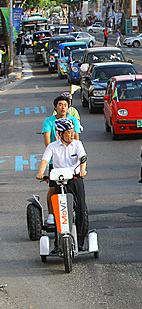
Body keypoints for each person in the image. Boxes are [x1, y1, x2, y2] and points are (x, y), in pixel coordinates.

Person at [36, 118, 88, 251]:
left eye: (73, 132)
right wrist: (40, 173)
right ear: (60, 134)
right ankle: (58, 244)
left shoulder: (77, 144)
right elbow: (45, 160)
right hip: (59, 181)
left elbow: (83, 158)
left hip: (75, 179)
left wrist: (82, 170)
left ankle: (80, 242)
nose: (72, 135)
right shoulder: (52, 146)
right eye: (69, 132)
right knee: (60, 212)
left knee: (80, 209)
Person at [42, 95, 82, 224]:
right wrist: (56, 151)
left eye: (65, 105)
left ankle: (74, 212)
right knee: (54, 189)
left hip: (71, 162)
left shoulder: (73, 120)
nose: (63, 107)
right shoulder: (49, 121)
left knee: (73, 188)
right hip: (56, 161)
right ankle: (51, 214)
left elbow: (76, 139)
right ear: (55, 107)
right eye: (60, 105)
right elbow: (48, 141)